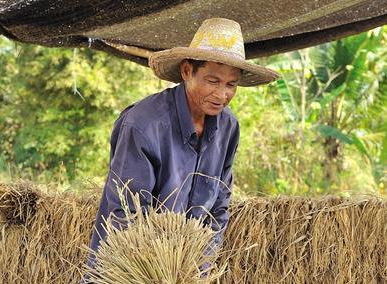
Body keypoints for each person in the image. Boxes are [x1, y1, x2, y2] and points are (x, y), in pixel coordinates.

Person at [81, 18, 279, 282]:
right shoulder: (143, 125)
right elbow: (125, 215)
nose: (222, 95)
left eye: (231, 85)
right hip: (128, 269)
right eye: (212, 81)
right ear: (187, 71)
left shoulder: (228, 127)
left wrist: (199, 268)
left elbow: (218, 207)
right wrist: (154, 273)